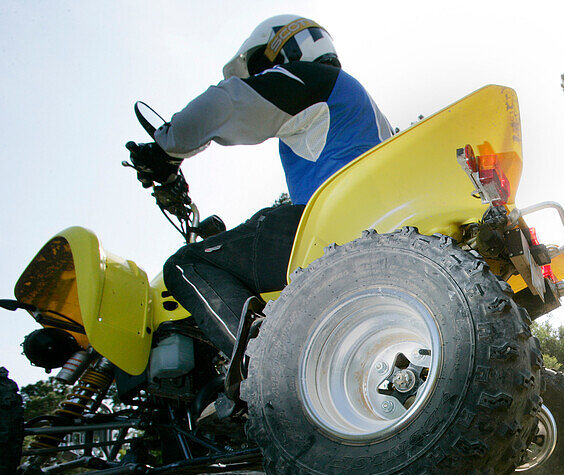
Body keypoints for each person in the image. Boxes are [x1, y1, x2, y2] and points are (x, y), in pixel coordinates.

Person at [127, 15, 393, 358]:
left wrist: (164, 150)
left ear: (281, 49)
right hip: (372, 228)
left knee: (186, 264)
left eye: (260, 66)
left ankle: (261, 362)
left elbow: (225, 103)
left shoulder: (315, 79)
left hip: (327, 229)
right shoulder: (359, 105)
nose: (259, 77)